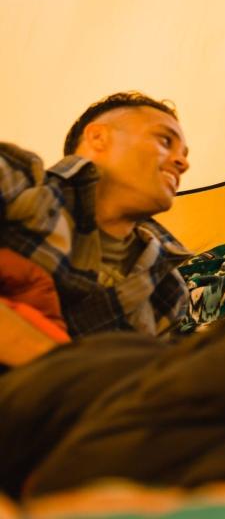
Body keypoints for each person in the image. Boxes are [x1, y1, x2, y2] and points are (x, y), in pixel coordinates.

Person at [0, 92, 192, 337]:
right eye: (165, 141)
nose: (183, 164)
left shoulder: (168, 289)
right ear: (98, 137)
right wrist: (40, 351)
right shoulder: (19, 181)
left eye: (185, 155)